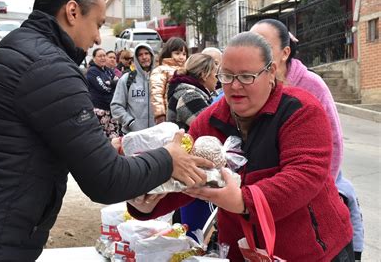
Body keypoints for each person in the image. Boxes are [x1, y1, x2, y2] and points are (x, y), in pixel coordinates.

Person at [0, 0, 214, 262]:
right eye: (97, 23)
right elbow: (106, 180)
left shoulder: (16, 49)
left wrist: (100, 148)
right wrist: (168, 159)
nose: (98, 38)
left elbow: (24, 145)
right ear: (72, 12)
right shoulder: (50, 67)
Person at [127, 32, 354, 261]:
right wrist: (148, 204)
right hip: (243, 251)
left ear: (271, 72)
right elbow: (189, 175)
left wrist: (243, 201)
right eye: (226, 76)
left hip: (314, 250)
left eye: (246, 76)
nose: (235, 86)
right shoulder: (209, 121)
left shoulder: (301, 109)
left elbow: (304, 175)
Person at [250, 18, 364, 260]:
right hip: (269, 195)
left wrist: (319, 187)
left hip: (315, 188)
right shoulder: (251, 83)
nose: (256, 51)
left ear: (285, 52)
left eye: (264, 45)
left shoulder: (311, 86)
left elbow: (334, 141)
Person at [166, 53, 219, 239]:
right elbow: (211, 130)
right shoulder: (189, 95)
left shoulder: (189, 91)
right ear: (204, 74)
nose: (217, 80)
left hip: (188, 167)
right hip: (191, 168)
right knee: (194, 227)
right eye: (215, 74)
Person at [111, 43, 156, 134]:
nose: (144, 57)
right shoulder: (127, 79)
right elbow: (116, 107)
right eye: (140, 55)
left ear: (151, 55)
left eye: (146, 53)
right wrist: (130, 122)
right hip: (133, 135)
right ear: (136, 58)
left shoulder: (159, 78)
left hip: (156, 135)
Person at [150, 37, 188, 124]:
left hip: (183, 112)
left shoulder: (187, 70)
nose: (181, 57)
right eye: (177, 53)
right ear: (168, 53)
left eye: (184, 54)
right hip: (168, 114)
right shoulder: (161, 70)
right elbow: (156, 93)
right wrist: (160, 114)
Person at [86, 48, 121, 138]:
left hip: (111, 108)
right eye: (100, 56)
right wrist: (113, 84)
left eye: (104, 55)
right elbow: (104, 88)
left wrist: (112, 83)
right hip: (100, 110)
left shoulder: (108, 70)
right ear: (94, 58)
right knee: (102, 136)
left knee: (114, 135)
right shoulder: (92, 71)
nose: (102, 58)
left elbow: (119, 83)